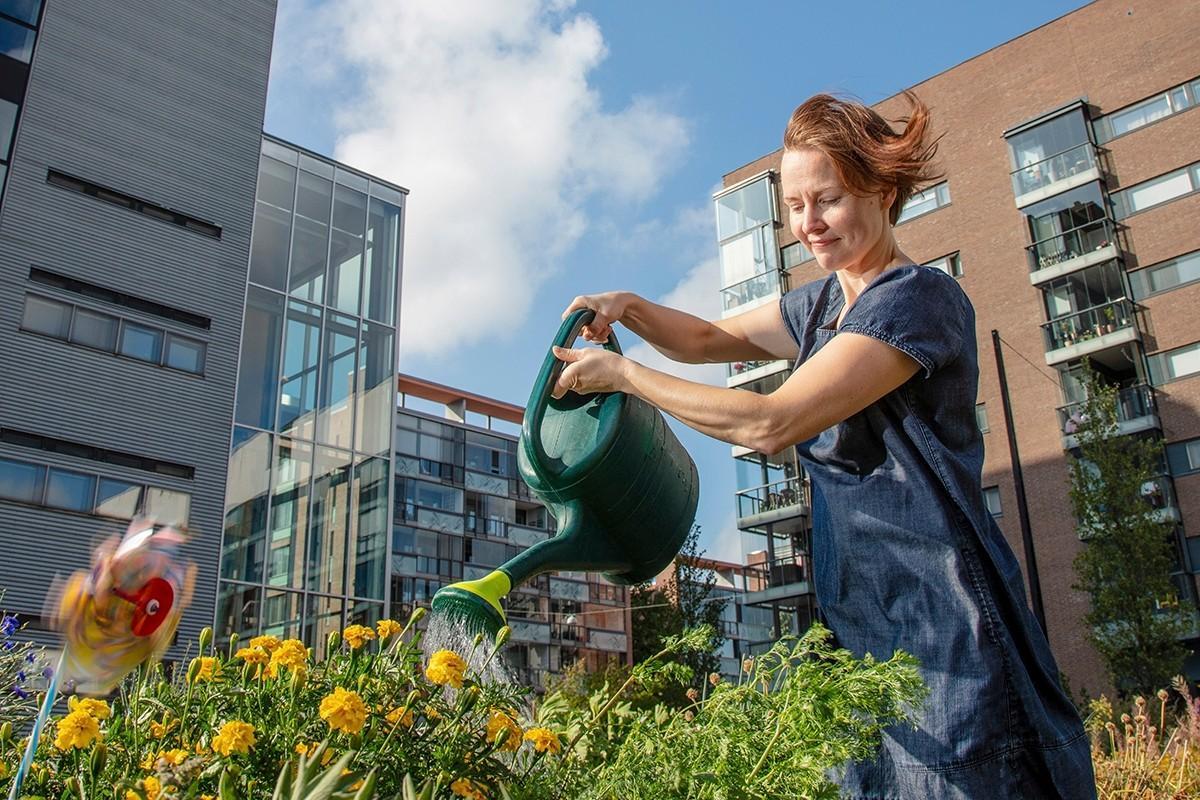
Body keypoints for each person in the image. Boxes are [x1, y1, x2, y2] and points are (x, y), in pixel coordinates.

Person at [550, 93, 1095, 799]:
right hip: (862, 617)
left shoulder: (914, 300)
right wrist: (630, 306)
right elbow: (714, 340)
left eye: (828, 200)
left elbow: (770, 422)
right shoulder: (822, 307)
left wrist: (624, 376)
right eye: (796, 207)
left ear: (883, 189)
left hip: (943, 620)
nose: (808, 224)